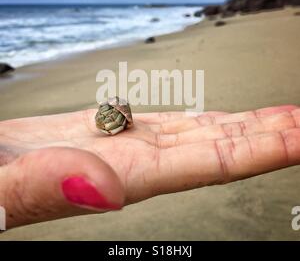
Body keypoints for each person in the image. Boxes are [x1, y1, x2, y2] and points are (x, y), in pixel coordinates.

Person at [0, 104, 299, 229]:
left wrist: (123, 121)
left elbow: (114, 119)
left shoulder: (120, 117)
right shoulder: (105, 117)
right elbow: (103, 121)